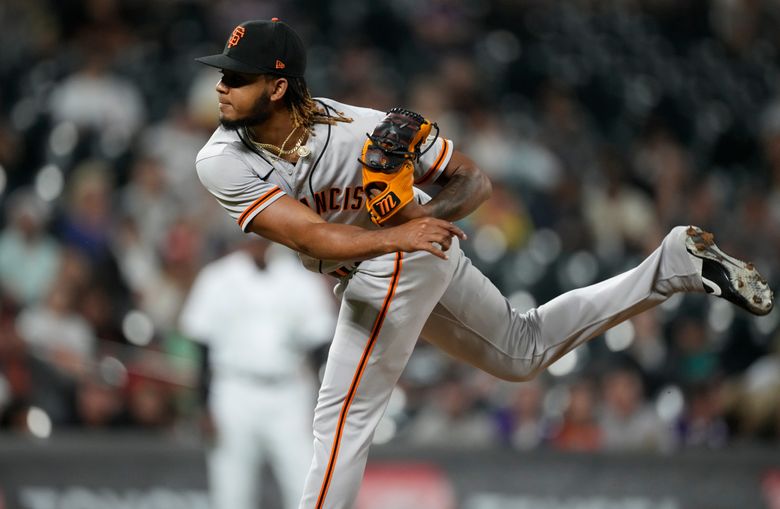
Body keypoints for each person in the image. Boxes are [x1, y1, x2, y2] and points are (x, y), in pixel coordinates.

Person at [193, 18, 774, 509]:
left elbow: (474, 180)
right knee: (521, 354)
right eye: (223, 73)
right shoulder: (221, 159)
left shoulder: (362, 128)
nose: (221, 87)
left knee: (340, 418)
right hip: (392, 252)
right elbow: (314, 236)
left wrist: (427, 217)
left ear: (276, 87)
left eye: (236, 77)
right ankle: (671, 264)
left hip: (408, 255)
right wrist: (399, 230)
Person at [179, 237, 336, 509]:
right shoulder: (217, 278)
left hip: (290, 391)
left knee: (307, 488)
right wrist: (202, 405)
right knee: (231, 493)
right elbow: (202, 347)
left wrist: (322, 402)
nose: (256, 243)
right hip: (233, 389)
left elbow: (320, 345)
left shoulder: (299, 278)